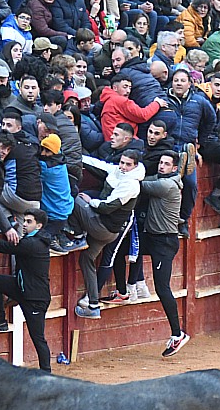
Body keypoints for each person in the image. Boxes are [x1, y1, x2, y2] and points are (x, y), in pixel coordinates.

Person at [72, 150, 144, 317]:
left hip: (102, 227)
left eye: (128, 164)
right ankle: (93, 305)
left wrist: (91, 201)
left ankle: (76, 235)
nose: (123, 167)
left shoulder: (132, 184)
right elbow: (100, 165)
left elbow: (107, 207)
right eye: (122, 162)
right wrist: (78, 155)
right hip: (108, 231)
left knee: (73, 199)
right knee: (87, 258)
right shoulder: (119, 172)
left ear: (135, 166)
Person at [0, 207, 54, 372]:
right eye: (25, 221)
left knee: (38, 338)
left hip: (35, 299)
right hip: (23, 289)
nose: (24, 224)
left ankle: (47, 373)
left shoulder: (32, 244)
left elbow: (5, 247)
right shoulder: (34, 240)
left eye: (29, 222)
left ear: (38, 226)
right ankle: (0, 319)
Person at [140, 153, 190, 358]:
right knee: (121, 248)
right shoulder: (163, 180)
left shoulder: (167, 185)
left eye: (166, 164)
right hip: (152, 238)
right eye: (160, 162)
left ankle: (177, 334)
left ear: (175, 168)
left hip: (164, 242)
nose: (161, 166)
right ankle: (130, 287)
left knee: (162, 288)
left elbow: (140, 184)